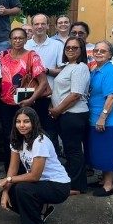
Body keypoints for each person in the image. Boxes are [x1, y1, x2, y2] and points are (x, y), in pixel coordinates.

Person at [0, 108, 71, 224]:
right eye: (18, 121)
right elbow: (13, 168)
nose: (22, 125)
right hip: (39, 184)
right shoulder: (17, 139)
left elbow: (34, 176)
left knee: (22, 189)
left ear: (34, 122)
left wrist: (8, 179)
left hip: (58, 186)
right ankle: (40, 211)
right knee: (8, 195)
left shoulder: (40, 141)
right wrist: (5, 191)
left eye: (26, 121)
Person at [0, 28, 50, 170]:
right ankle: (11, 170)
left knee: (26, 134)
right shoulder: (2, 55)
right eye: (14, 38)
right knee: (9, 136)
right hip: (5, 104)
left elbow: (43, 82)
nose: (17, 40)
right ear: (10, 40)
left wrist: (31, 99)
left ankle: (28, 170)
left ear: (26, 40)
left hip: (26, 103)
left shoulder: (32, 56)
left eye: (21, 38)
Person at [48, 36, 90, 194]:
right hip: (65, 114)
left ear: (81, 51)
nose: (70, 50)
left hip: (74, 114)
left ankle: (77, 186)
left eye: (75, 48)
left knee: (74, 150)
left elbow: (75, 94)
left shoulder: (80, 67)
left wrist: (57, 110)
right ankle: (73, 182)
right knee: (70, 149)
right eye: (68, 48)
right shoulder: (67, 66)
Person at [88, 41, 113, 196]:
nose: (99, 53)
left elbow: (111, 96)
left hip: (109, 120)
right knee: (100, 150)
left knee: (107, 150)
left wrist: (103, 117)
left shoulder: (110, 71)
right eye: (96, 50)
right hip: (95, 116)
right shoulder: (96, 70)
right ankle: (103, 179)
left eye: (103, 51)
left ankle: (109, 185)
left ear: (110, 54)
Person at [25, 14, 63, 151]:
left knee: (49, 131)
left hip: (49, 95)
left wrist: (45, 71)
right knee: (29, 130)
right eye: (36, 24)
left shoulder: (57, 45)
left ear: (48, 25)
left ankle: (52, 165)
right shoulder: (26, 45)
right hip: (29, 95)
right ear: (32, 26)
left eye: (43, 24)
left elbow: (62, 70)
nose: (39, 26)